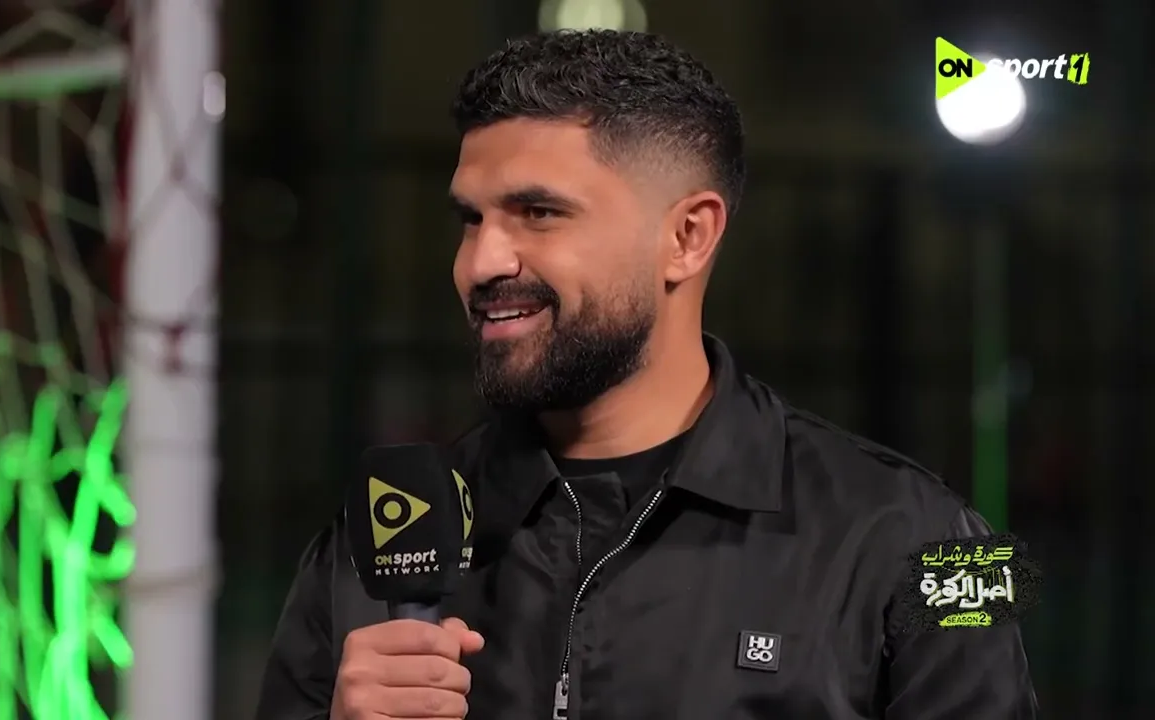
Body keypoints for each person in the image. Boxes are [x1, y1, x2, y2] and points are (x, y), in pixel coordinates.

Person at [256, 30, 1038, 720]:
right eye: (471, 218)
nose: (481, 262)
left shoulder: (932, 538)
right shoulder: (376, 541)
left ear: (688, 237)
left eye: (539, 212)